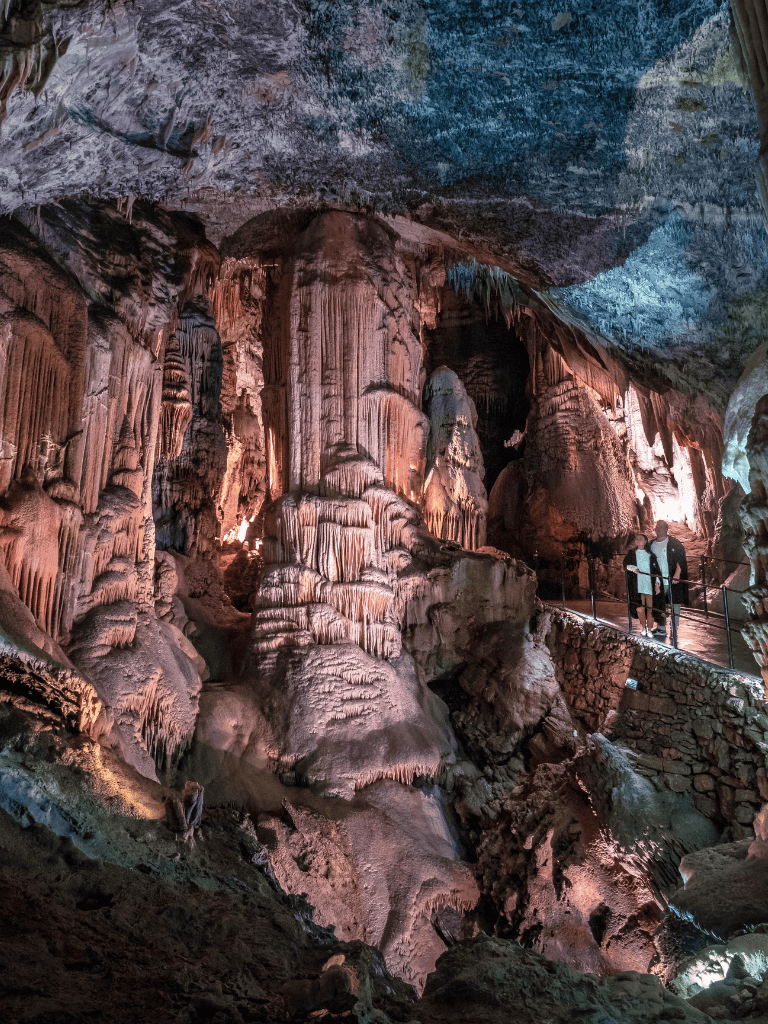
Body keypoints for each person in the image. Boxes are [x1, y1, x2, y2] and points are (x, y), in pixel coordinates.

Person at [650, 520, 689, 638]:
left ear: (666, 529)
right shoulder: (651, 544)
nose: (659, 529)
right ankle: (661, 627)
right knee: (659, 603)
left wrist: (677, 573)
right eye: (657, 527)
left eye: (661, 527)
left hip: (672, 578)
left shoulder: (674, 543)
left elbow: (681, 559)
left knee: (675, 603)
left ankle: (674, 627)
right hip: (658, 580)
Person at [623, 532, 661, 637]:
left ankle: (649, 629)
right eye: (637, 538)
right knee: (640, 608)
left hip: (649, 585)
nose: (638, 540)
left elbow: (656, 571)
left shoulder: (651, 555)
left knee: (650, 608)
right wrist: (633, 568)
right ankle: (643, 627)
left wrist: (657, 583)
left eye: (640, 538)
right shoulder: (631, 553)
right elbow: (625, 565)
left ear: (645, 541)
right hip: (637, 585)